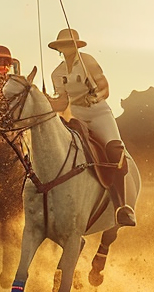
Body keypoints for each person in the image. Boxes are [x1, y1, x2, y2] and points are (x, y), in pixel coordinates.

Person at [45, 28, 136, 227]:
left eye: (70, 44)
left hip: (98, 112)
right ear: (59, 48)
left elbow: (105, 87)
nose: (67, 48)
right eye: (63, 45)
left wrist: (94, 96)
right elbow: (61, 104)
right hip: (76, 115)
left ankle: (121, 207)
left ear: (77, 45)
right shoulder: (56, 73)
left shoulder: (88, 61)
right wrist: (45, 102)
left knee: (114, 150)